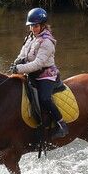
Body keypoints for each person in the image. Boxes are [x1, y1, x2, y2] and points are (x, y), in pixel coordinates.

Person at [9, 7, 68, 140]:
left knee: (44, 98)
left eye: (36, 26)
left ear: (42, 25)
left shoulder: (47, 42)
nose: (33, 28)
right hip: (31, 73)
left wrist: (20, 69)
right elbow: (23, 53)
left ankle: (61, 124)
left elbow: (38, 64)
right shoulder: (30, 37)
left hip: (45, 75)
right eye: (31, 26)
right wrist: (18, 61)